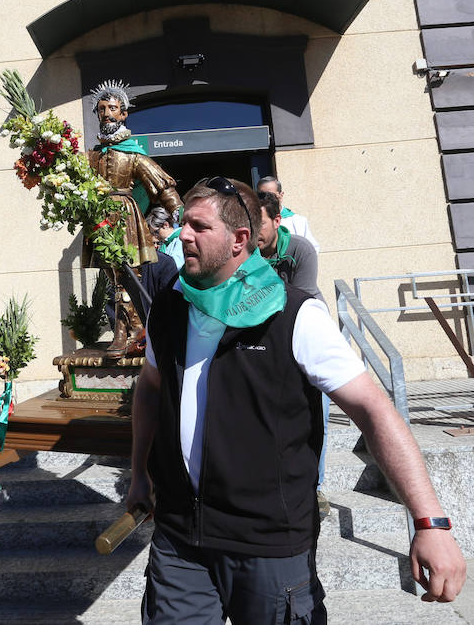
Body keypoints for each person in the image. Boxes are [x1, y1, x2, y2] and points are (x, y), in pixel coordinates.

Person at [128, 177, 466, 624]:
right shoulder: (168, 308)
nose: (182, 234)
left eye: (198, 226)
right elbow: (150, 389)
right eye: (182, 223)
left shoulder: (296, 315)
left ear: (239, 240)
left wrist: (430, 522)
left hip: (269, 544)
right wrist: (139, 474)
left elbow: (375, 412)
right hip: (180, 538)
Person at [87, 81, 182, 356]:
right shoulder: (93, 154)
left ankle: (129, 332)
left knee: (127, 277)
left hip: (126, 219)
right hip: (101, 220)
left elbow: (161, 183)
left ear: (124, 113)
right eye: (102, 109)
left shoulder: (132, 152)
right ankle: (132, 329)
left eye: (113, 108)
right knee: (114, 278)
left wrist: (178, 210)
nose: (107, 114)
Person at [257, 189, 331, 518]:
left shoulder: (300, 250)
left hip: (310, 335)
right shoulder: (246, 253)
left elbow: (296, 301)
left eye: (259, 223)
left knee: (318, 416)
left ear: (277, 221)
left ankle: (315, 489)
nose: (252, 231)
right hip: (268, 341)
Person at [256, 175, 320, 252]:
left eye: (271, 195)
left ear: (281, 195)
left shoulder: (298, 221)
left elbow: (311, 249)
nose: (266, 199)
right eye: (262, 195)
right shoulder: (252, 221)